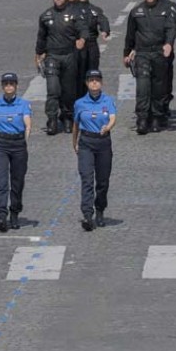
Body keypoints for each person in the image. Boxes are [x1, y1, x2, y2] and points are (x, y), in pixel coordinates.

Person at [123, 0, 176, 134]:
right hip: (143, 53)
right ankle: (142, 118)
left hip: (160, 53)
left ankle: (156, 117)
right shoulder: (136, 12)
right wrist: (127, 53)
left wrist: (169, 43)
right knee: (143, 87)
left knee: (159, 88)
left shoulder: (166, 10)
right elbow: (130, 35)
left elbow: (171, 28)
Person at [36, 0, 89, 135]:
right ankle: (52, 119)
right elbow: (41, 38)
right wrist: (38, 54)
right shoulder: (46, 16)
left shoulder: (74, 13)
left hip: (69, 55)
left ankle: (67, 117)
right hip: (52, 56)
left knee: (68, 91)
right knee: (53, 90)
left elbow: (83, 29)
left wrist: (82, 40)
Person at [0, 73, 32, 232]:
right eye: (6, 84)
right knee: (2, 181)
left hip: (18, 144)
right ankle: (1, 215)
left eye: (12, 83)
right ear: (2, 86)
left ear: (16, 86)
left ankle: (14, 213)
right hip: (1, 145)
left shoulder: (24, 104)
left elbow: (27, 121)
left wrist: (27, 133)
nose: (9, 86)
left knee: (17, 182)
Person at [72, 70, 117, 231]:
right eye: (91, 80)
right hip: (86, 142)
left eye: (97, 80)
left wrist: (108, 127)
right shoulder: (79, 103)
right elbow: (76, 124)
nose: (94, 83)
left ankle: (100, 210)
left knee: (103, 181)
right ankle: (87, 214)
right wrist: (74, 142)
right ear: (87, 83)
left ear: (101, 82)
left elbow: (113, 117)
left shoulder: (108, 101)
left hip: (103, 141)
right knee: (87, 178)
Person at [152, 0, 176, 125]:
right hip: (149, 50)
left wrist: (168, 43)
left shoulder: (171, 7)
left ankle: (163, 106)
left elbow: (175, 25)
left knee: (164, 81)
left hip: (165, 50)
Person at [75, 0, 110, 74]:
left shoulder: (95, 10)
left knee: (92, 72)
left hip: (91, 44)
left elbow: (103, 20)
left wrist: (105, 31)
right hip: (76, 44)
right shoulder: (71, 9)